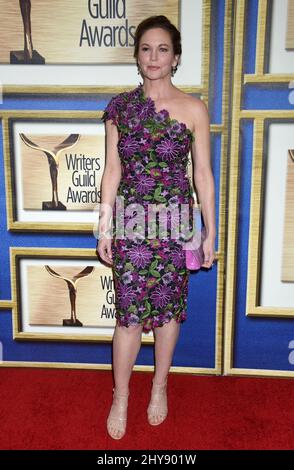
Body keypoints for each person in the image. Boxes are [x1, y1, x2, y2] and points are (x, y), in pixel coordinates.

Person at [97, 15, 216, 440]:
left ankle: (160, 386)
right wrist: (105, 226)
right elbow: (112, 170)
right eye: (146, 48)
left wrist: (210, 230)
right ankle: (122, 395)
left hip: (175, 223)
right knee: (129, 316)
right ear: (137, 56)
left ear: (176, 57)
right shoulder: (120, 108)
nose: (154, 56)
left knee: (167, 310)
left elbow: (202, 173)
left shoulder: (194, 108)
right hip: (130, 222)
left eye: (162, 49)